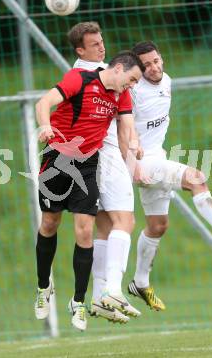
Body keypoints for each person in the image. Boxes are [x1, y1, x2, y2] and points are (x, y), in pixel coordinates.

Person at [126, 41, 212, 310]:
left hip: (157, 157)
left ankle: (139, 283)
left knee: (157, 226)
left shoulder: (168, 82)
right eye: (146, 65)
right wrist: (133, 163)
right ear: (137, 69)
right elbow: (123, 127)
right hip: (139, 161)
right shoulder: (132, 92)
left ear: (161, 58)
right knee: (196, 178)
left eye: (156, 61)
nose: (154, 67)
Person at [33, 49, 145, 332]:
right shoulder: (79, 79)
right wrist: (45, 125)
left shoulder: (120, 94)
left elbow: (126, 127)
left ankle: (79, 302)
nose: (131, 86)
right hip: (57, 158)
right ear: (118, 68)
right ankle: (43, 286)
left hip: (88, 166)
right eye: (131, 79)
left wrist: (132, 147)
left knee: (85, 230)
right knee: (49, 222)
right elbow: (44, 102)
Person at [67, 21, 142, 324]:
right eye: (94, 43)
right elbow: (124, 125)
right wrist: (131, 160)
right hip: (105, 154)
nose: (101, 45)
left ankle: (99, 297)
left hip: (85, 157)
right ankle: (113, 289)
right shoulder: (94, 75)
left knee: (106, 226)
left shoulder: (95, 71)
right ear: (80, 49)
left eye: (102, 40)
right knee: (126, 220)